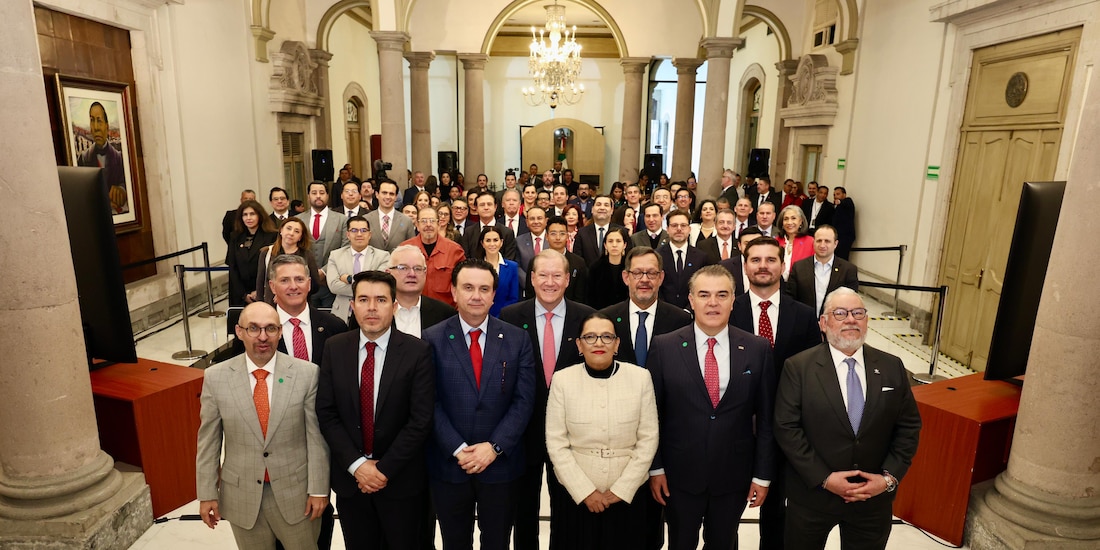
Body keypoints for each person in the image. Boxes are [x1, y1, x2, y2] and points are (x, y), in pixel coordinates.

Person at [774, 288, 921, 550]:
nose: (850, 319)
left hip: (871, 498)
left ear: (866, 320)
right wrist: (825, 478)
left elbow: (908, 427)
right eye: (839, 313)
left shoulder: (892, 366)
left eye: (858, 313)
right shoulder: (798, 367)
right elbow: (787, 428)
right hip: (812, 498)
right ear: (823, 323)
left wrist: (887, 479)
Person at [647, 265, 776, 550]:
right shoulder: (664, 347)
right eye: (704, 295)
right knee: (680, 543)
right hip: (678, 475)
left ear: (734, 300)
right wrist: (655, 469)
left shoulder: (758, 348)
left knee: (724, 543)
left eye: (722, 295)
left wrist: (762, 475)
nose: (713, 303)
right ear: (691, 300)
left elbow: (767, 418)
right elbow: (651, 415)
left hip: (734, 475)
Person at [315, 270, 435, 550]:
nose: (371, 308)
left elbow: (420, 420)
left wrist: (382, 470)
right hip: (352, 483)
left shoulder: (417, 352)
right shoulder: (335, 347)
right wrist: (358, 467)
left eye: (381, 300)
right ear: (351, 305)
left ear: (394, 306)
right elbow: (327, 413)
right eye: (364, 299)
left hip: (401, 481)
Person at [196, 302, 330, 549]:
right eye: (253, 328)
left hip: (297, 495)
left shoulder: (307, 374)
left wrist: (319, 489)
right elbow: (208, 442)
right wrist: (207, 494)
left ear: (280, 332)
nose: (262, 337)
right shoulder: (215, 377)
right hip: (242, 496)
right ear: (239, 332)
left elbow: (316, 438)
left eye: (270, 328)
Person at [423, 259, 536, 550]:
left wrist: (494, 447)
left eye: (484, 289)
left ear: (494, 295)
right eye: (468, 287)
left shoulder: (517, 338)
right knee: (454, 542)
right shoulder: (431, 339)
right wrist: (459, 449)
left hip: (500, 465)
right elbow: (428, 401)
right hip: (450, 463)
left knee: (497, 541)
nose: (476, 295)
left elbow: (524, 401)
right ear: (454, 292)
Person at [499, 250, 596, 550]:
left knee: (568, 508)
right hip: (523, 430)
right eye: (543, 275)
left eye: (557, 275)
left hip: (572, 434)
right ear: (532, 278)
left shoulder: (588, 317)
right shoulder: (511, 317)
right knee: (523, 508)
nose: (550, 282)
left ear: (568, 279)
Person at [730, 237, 821, 550]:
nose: (763, 266)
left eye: (771, 260)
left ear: (783, 265)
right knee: (727, 513)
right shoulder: (728, 309)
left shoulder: (805, 315)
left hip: (786, 427)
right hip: (736, 426)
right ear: (745, 266)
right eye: (756, 260)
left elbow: (813, 372)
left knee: (777, 513)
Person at [544, 313, 659, 550]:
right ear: (579, 344)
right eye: (590, 337)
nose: (598, 343)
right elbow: (556, 443)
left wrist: (622, 489)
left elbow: (648, 440)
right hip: (576, 497)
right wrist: (585, 491)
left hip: (628, 496)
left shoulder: (640, 378)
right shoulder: (563, 380)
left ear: (617, 344)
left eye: (606, 337)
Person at [599, 246, 692, 368]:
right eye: (637, 273)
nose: (644, 279)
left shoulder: (681, 320)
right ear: (626, 277)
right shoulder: (606, 319)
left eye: (651, 273)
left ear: (661, 278)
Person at [326, 216, 391, 321]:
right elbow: (333, 286)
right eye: (354, 230)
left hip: (371, 314)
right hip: (342, 314)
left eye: (364, 230)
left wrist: (348, 279)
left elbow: (378, 286)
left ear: (369, 235)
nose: (359, 234)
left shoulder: (383, 256)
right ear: (348, 234)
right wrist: (364, 285)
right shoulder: (335, 255)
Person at [786, 225, 860, 315]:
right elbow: (790, 298)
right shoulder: (799, 267)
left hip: (834, 324)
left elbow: (851, 302)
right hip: (804, 324)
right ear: (813, 242)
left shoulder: (848, 270)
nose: (822, 245)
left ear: (835, 244)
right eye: (819, 241)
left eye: (827, 241)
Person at [400, 205, 466, 307]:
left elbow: (462, 285)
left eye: (432, 221)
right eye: (424, 221)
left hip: (445, 312)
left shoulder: (454, 250)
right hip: (411, 310)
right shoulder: (404, 249)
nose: (428, 225)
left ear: (439, 224)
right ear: (417, 225)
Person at [387, 245, 456, 338]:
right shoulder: (377, 311)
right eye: (403, 268)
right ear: (388, 273)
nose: (412, 274)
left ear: (425, 273)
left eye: (418, 268)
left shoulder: (445, 314)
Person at [256, 218, 322, 305]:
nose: (291, 233)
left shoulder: (307, 255)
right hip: (271, 306)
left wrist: (292, 294)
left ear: (300, 237)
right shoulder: (267, 253)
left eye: (296, 231)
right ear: (281, 230)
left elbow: (315, 284)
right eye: (289, 228)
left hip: (299, 305)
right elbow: (260, 283)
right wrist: (260, 305)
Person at [77, 101, 127, 214]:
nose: (95, 127)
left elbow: (124, 182)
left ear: (106, 126)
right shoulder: (83, 159)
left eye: (99, 121)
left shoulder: (119, 158)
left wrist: (122, 191)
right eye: (92, 120)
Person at [524, 216, 588, 303]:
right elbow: (530, 293)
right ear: (546, 236)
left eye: (562, 233)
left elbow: (580, 296)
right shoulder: (536, 261)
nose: (558, 238)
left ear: (567, 236)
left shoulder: (578, 262)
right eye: (553, 233)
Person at [227, 200, 277, 306]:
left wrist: (259, 290)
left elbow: (273, 268)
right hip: (240, 294)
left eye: (252, 214)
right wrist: (243, 294)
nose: (248, 218)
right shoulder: (235, 237)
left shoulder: (272, 236)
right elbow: (233, 267)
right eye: (245, 215)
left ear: (260, 215)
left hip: (264, 291)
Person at [658, 209, 711, 310]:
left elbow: (703, 287)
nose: (679, 229)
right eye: (674, 226)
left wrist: (689, 310)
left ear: (689, 229)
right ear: (667, 229)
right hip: (663, 312)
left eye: (683, 225)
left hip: (692, 312)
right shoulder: (657, 256)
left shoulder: (701, 257)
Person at [461, 193, 519, 262]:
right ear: (476, 208)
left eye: (489, 204)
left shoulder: (507, 232)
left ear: (495, 207)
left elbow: (509, 260)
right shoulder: (469, 232)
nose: (486, 207)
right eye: (482, 205)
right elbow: (466, 259)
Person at [475, 226, 519, 317]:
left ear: (501, 242)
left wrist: (500, 316)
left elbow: (513, 298)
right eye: (488, 240)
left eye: (495, 240)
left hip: (504, 318)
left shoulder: (512, 267)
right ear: (482, 243)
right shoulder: (474, 267)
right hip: (479, 316)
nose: (492, 244)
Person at [364, 179, 416, 252]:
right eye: (384, 193)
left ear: (396, 197)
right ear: (377, 194)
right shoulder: (366, 219)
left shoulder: (406, 221)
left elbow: (412, 249)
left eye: (391, 194)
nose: (388, 197)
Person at [587, 228, 630, 310]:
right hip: (601, 313)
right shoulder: (595, 268)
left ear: (624, 245)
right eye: (610, 241)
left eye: (618, 241)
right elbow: (590, 296)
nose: (614, 245)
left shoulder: (631, 267)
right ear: (605, 245)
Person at [573, 195, 622, 268]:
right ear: (592, 209)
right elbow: (577, 261)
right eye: (598, 204)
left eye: (606, 205)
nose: (602, 208)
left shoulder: (621, 232)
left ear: (612, 210)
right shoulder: (582, 233)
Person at [776, 205, 815, 279]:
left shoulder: (811, 242)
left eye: (793, 218)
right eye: (786, 219)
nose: (789, 222)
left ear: (800, 221)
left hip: (801, 285)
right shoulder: (775, 241)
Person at [832, 187, 857, 260]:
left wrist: (839, 202)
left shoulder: (848, 201)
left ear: (844, 195)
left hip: (845, 236)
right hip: (838, 235)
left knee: (842, 256)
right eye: (834, 195)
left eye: (838, 194)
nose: (836, 196)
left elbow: (846, 203)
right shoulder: (837, 207)